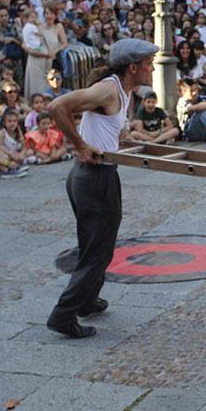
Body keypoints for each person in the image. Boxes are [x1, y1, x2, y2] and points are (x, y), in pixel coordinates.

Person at [45, 39, 158, 338]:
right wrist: (80, 145)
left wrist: (132, 142)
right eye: (149, 64)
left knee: (97, 245)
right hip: (93, 177)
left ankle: (87, 299)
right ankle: (63, 314)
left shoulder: (124, 92)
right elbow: (57, 107)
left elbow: (112, 132)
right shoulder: (108, 89)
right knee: (98, 251)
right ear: (133, 67)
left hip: (98, 175)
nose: (153, 68)